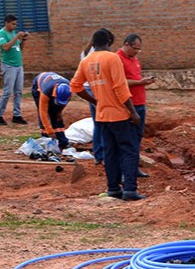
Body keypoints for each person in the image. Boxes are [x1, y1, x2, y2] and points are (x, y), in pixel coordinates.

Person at [70, 28, 145, 201]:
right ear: (110, 42)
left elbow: (76, 86)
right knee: (129, 150)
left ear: (94, 43)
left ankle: (113, 188)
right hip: (119, 114)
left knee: (110, 152)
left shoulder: (86, 61)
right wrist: (133, 112)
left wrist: (95, 101)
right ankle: (130, 190)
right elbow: (120, 87)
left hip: (102, 115)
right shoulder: (112, 58)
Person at [117, 33, 155, 178]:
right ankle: (124, 171)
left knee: (137, 137)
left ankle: (134, 168)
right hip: (128, 105)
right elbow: (119, 81)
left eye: (139, 49)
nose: (137, 52)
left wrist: (143, 82)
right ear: (127, 44)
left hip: (140, 103)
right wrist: (140, 82)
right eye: (135, 48)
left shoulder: (134, 59)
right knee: (127, 139)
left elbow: (134, 78)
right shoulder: (118, 59)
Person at [30, 72, 95, 150]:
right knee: (47, 112)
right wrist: (49, 130)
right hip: (38, 85)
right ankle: (46, 138)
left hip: (53, 87)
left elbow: (61, 106)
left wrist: (59, 113)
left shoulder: (69, 90)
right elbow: (43, 111)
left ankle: (62, 141)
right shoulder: (46, 91)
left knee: (56, 113)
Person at [0, 14, 29, 126]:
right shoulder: (2, 33)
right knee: (8, 91)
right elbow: (5, 47)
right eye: (13, 24)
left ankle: (17, 115)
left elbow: (19, 48)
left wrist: (23, 39)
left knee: (18, 91)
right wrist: (16, 37)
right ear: (7, 22)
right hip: (9, 65)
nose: (15, 26)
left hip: (18, 65)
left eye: (15, 24)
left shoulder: (14, 33)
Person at [80, 37, 105, 165]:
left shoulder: (85, 54)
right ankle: (104, 155)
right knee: (104, 123)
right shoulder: (100, 56)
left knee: (98, 123)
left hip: (88, 88)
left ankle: (98, 155)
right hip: (95, 88)